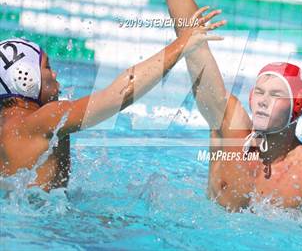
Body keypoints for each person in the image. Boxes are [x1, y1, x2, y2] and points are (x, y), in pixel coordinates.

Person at [146, 0, 302, 224]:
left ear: (298, 107)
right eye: (259, 92)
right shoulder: (228, 127)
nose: (263, 101)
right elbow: (195, 47)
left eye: (275, 94)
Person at [0, 10, 225, 191]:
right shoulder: (45, 119)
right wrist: (182, 45)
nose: (55, 75)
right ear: (25, 77)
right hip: (47, 231)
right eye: (47, 66)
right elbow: (120, 94)